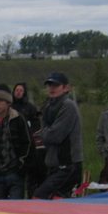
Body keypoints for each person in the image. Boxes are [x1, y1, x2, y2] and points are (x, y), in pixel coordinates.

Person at [33, 72, 83, 200]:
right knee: (55, 200)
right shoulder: (49, 107)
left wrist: (43, 134)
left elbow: (55, 135)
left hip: (68, 164)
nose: (52, 88)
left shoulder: (68, 106)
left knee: (40, 197)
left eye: (56, 85)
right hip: (54, 163)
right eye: (49, 85)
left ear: (66, 88)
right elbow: (47, 133)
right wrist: (46, 133)